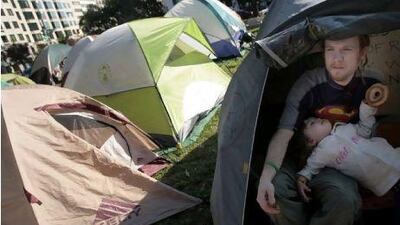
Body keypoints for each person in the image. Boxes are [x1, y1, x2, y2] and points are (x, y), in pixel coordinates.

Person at [256, 35, 384, 225]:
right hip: (297, 155)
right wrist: (266, 177)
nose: (337, 58)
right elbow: (283, 134)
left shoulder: (372, 84)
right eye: (330, 49)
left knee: (344, 200)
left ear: (362, 53)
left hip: (337, 161)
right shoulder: (308, 84)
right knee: (276, 189)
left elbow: (371, 129)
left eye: (346, 50)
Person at [296, 86, 400, 202]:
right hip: (382, 180)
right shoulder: (321, 152)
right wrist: (301, 180)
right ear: (311, 141)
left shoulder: (343, 128)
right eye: (311, 123)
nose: (316, 119)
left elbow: (365, 129)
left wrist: (367, 106)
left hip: (393, 156)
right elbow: (310, 168)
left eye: (315, 119)